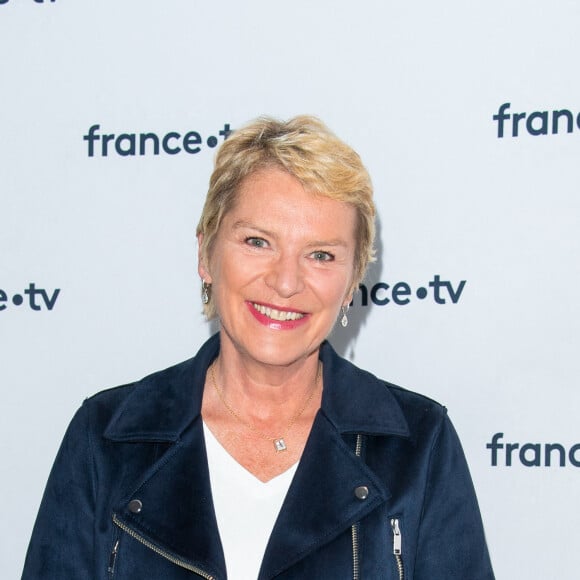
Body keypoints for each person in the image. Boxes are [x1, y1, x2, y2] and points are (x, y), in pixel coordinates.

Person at [22, 116, 494, 579]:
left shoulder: (415, 445)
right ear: (206, 255)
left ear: (352, 282)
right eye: (257, 241)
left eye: (321, 255)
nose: (286, 282)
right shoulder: (108, 438)